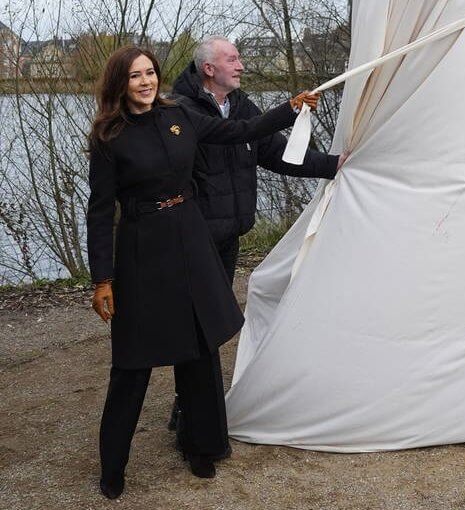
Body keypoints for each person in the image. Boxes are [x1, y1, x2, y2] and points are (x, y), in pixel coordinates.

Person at [86, 46, 324, 499]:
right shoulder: (108, 137)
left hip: (190, 239)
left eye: (150, 73)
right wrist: (102, 279)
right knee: (133, 362)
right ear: (120, 82)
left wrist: (289, 108)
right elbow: (99, 214)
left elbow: (242, 131)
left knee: (199, 348)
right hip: (141, 250)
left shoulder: (180, 117)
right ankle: (113, 467)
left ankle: (203, 447)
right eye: (135, 76)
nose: (145, 82)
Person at [167, 36, 343, 433]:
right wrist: (288, 109)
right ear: (209, 69)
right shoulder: (181, 111)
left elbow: (277, 153)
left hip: (229, 235)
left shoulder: (242, 105)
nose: (241, 65)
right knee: (198, 324)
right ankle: (190, 408)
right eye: (233, 59)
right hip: (194, 238)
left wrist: (335, 165)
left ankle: (198, 405)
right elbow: (231, 134)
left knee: (213, 323)